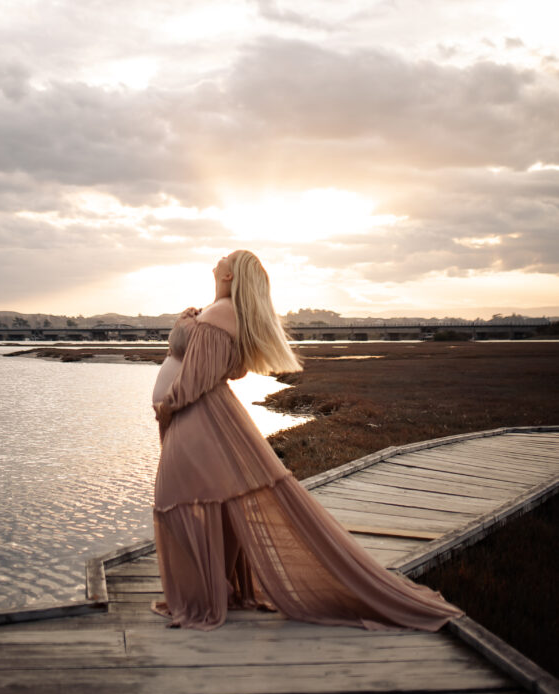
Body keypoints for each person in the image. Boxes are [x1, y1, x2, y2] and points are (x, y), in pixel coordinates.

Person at [151, 250, 463, 631]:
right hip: (207, 417)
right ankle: (219, 591)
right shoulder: (221, 310)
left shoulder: (221, 313)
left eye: (224, 258)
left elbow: (199, 378)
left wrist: (167, 406)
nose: (217, 260)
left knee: (180, 499)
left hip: (199, 416)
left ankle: (203, 599)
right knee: (217, 500)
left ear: (231, 274)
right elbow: (218, 366)